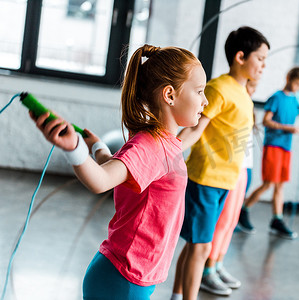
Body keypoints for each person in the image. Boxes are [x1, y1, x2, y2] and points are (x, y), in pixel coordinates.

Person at [29, 44, 208, 299]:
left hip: (132, 276)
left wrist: (97, 147)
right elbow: (102, 181)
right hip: (123, 280)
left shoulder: (163, 142)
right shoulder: (151, 145)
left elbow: (118, 168)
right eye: (200, 91)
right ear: (169, 95)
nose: (205, 100)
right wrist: (75, 148)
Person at [171, 27, 270, 300]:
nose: (263, 65)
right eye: (260, 58)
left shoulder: (243, 93)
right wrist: (171, 150)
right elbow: (196, 128)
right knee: (200, 248)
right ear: (240, 57)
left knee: (196, 247)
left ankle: (177, 296)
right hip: (205, 179)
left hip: (225, 181)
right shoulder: (218, 88)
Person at [238, 66, 299, 239]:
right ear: (288, 78)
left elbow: (292, 124)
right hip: (273, 145)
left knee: (280, 184)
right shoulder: (276, 97)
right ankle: (243, 210)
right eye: (296, 84)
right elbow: (266, 121)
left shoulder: (295, 100)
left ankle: (277, 219)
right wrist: (287, 128)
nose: (297, 88)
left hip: (286, 147)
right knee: (269, 183)